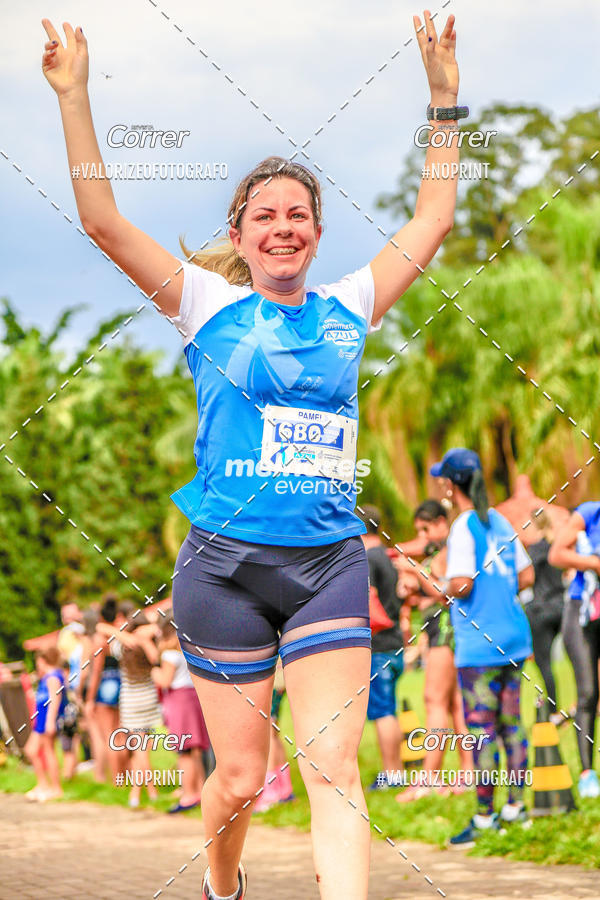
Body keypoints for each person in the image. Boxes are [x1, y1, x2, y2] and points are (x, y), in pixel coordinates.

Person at [42, 11, 462, 897]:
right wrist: (75, 97)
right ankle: (222, 886)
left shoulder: (352, 307)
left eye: (298, 215)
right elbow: (99, 219)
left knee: (333, 770)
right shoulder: (203, 304)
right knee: (238, 781)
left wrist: (445, 101)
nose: (283, 226)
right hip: (223, 571)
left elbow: (435, 215)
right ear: (240, 236)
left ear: (315, 232)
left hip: (329, 567)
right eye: (264, 215)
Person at [430, 448, 534, 846]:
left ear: (451, 484)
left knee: (482, 732)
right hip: (514, 637)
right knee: (512, 726)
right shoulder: (502, 522)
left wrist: (441, 589)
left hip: (480, 644)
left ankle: (486, 817)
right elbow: (526, 574)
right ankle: (517, 807)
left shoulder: (462, 527)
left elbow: (462, 584)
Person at [396, 500, 472, 802]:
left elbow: (445, 593)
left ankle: (429, 778)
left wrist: (416, 572)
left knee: (434, 701)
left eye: (426, 528)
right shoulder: (442, 550)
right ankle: (467, 774)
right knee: (455, 704)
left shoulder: (451, 550)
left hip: (446, 632)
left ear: (442, 522)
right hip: (444, 631)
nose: (424, 536)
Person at [549, 501, 600, 798]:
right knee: (588, 693)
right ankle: (587, 774)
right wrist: (594, 563)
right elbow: (557, 554)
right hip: (583, 611)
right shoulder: (591, 512)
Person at [358, 505, 405, 788]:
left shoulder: (367, 559)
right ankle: (395, 770)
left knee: (383, 711)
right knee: (389, 709)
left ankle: (392, 774)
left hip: (379, 646)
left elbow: (368, 600)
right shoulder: (388, 556)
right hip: (396, 642)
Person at [152, 612, 210, 813]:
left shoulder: (168, 655)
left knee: (183, 749)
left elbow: (165, 680)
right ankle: (202, 791)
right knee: (194, 750)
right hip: (192, 698)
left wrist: (153, 672)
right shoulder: (188, 651)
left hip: (178, 700)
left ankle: (188, 795)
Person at [523, 509, 567, 724]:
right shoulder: (557, 546)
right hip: (563, 607)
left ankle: (553, 711)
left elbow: (526, 578)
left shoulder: (535, 549)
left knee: (544, 661)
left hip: (541, 609)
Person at [84, 595, 123, 782]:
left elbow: (96, 672)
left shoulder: (99, 640)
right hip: (120, 682)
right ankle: (124, 775)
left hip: (105, 685)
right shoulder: (118, 634)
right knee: (120, 734)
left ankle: (116, 779)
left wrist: (90, 698)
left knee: (109, 735)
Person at [24, 647, 67, 801]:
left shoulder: (53, 677)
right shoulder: (47, 677)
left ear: (42, 661)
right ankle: (43, 784)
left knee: (49, 752)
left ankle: (55, 788)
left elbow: (55, 700)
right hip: (41, 721)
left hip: (47, 720)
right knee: (32, 751)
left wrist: (50, 721)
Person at [253, 658, 295, 813]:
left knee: (268, 735)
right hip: (279, 676)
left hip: (270, 676)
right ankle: (285, 789)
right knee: (274, 734)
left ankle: (270, 792)